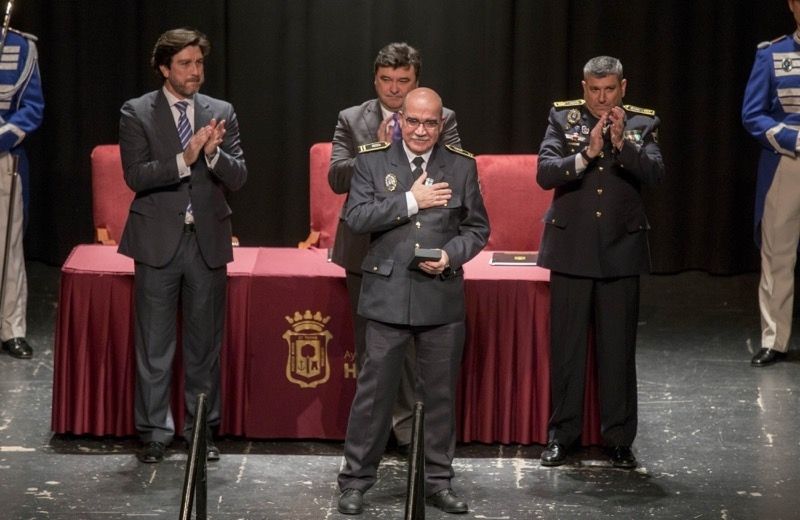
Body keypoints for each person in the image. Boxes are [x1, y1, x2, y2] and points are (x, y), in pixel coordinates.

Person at [336, 87, 489, 515]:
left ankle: (438, 481)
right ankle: (355, 481)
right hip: (386, 296)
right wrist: (410, 200)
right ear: (399, 120)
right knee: (374, 395)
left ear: (441, 125)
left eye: (430, 123)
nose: (421, 130)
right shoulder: (370, 160)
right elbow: (357, 218)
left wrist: (449, 255)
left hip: (439, 296)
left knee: (439, 396)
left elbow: (476, 229)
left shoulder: (460, 166)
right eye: (414, 121)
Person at [118, 28, 247, 464]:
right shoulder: (137, 112)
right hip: (157, 242)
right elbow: (135, 175)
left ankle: (201, 431)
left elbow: (239, 176)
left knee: (204, 345)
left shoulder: (221, 111)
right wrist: (184, 158)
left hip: (206, 242)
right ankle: (155, 432)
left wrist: (212, 155)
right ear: (164, 68)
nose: (196, 72)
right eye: (186, 64)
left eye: (199, 64)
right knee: (154, 344)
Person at [328, 42, 460, 452]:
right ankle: (372, 437)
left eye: (403, 81)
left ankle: (405, 433)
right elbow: (336, 178)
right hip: (365, 251)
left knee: (414, 357)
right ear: (375, 80)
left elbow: (452, 172)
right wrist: (380, 152)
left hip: (420, 249)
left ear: (416, 81)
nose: (394, 89)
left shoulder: (442, 118)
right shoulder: (352, 119)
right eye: (386, 80)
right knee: (375, 352)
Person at [536, 56, 664, 469]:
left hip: (619, 251)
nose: (601, 97)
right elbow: (545, 172)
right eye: (594, 89)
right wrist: (586, 154)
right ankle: (562, 436)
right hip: (571, 251)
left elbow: (655, 175)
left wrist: (623, 143)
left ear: (623, 87)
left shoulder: (643, 123)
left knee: (617, 352)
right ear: (584, 85)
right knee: (567, 351)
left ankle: (620, 440)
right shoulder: (562, 118)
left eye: (609, 89)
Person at [742, 0, 800, 367]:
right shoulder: (773, 53)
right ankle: (775, 339)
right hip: (788, 162)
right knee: (778, 252)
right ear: (793, 5)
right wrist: (793, 140)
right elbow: (752, 113)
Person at [0, 28, 44, 360]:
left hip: (4, 157)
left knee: (7, 249)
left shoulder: (19, 45)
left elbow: (31, 108)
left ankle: (11, 329)